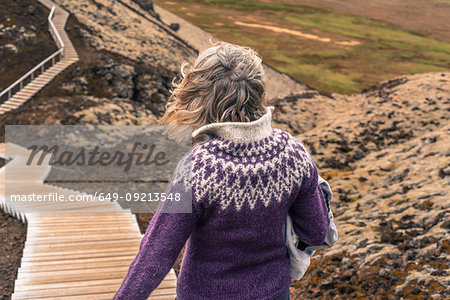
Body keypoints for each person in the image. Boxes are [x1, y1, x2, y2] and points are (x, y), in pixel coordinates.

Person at [113, 42, 330, 300]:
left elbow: (156, 255)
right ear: (258, 92)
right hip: (274, 292)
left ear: (200, 97)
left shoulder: (199, 168)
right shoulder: (293, 154)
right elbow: (316, 231)